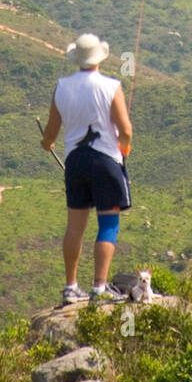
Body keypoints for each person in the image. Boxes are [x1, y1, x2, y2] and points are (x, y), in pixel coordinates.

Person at [39, 32, 133, 306]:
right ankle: (100, 289)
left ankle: (70, 288)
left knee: (75, 227)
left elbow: (51, 132)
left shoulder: (61, 87)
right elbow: (125, 130)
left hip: (75, 161)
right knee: (108, 225)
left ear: (77, 59)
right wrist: (124, 150)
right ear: (99, 58)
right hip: (105, 160)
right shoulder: (111, 86)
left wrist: (46, 144)